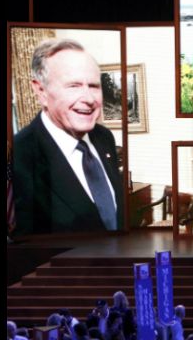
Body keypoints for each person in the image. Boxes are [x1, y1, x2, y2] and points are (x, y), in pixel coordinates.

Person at [13, 38, 124, 234]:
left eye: (94, 86)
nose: (89, 99)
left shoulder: (104, 138)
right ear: (41, 92)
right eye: (73, 86)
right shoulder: (20, 155)